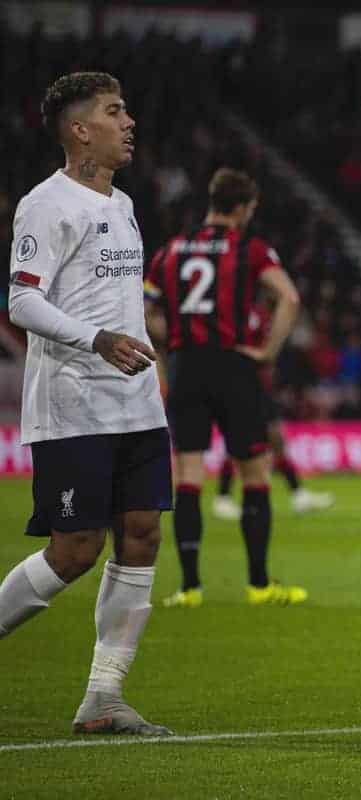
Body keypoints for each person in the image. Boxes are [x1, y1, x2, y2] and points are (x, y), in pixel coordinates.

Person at [0, 71, 173, 736]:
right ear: (80, 129)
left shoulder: (124, 204)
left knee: (142, 538)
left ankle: (103, 697)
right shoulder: (46, 204)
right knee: (74, 549)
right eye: (114, 111)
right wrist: (95, 339)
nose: (128, 122)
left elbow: (120, 301)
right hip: (74, 404)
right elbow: (23, 300)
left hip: (135, 404)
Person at [145, 167, 305, 608]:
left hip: (185, 369)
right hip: (235, 367)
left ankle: (190, 587)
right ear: (242, 207)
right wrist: (268, 351)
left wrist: (170, 349)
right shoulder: (250, 249)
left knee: (188, 478)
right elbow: (289, 298)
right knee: (254, 476)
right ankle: (258, 585)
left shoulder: (171, 250)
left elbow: (147, 312)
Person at [211, 301, 334, 520]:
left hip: (258, 385)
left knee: (276, 438)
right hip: (239, 384)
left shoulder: (260, 312)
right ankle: (223, 497)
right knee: (237, 442)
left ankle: (298, 494)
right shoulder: (237, 309)